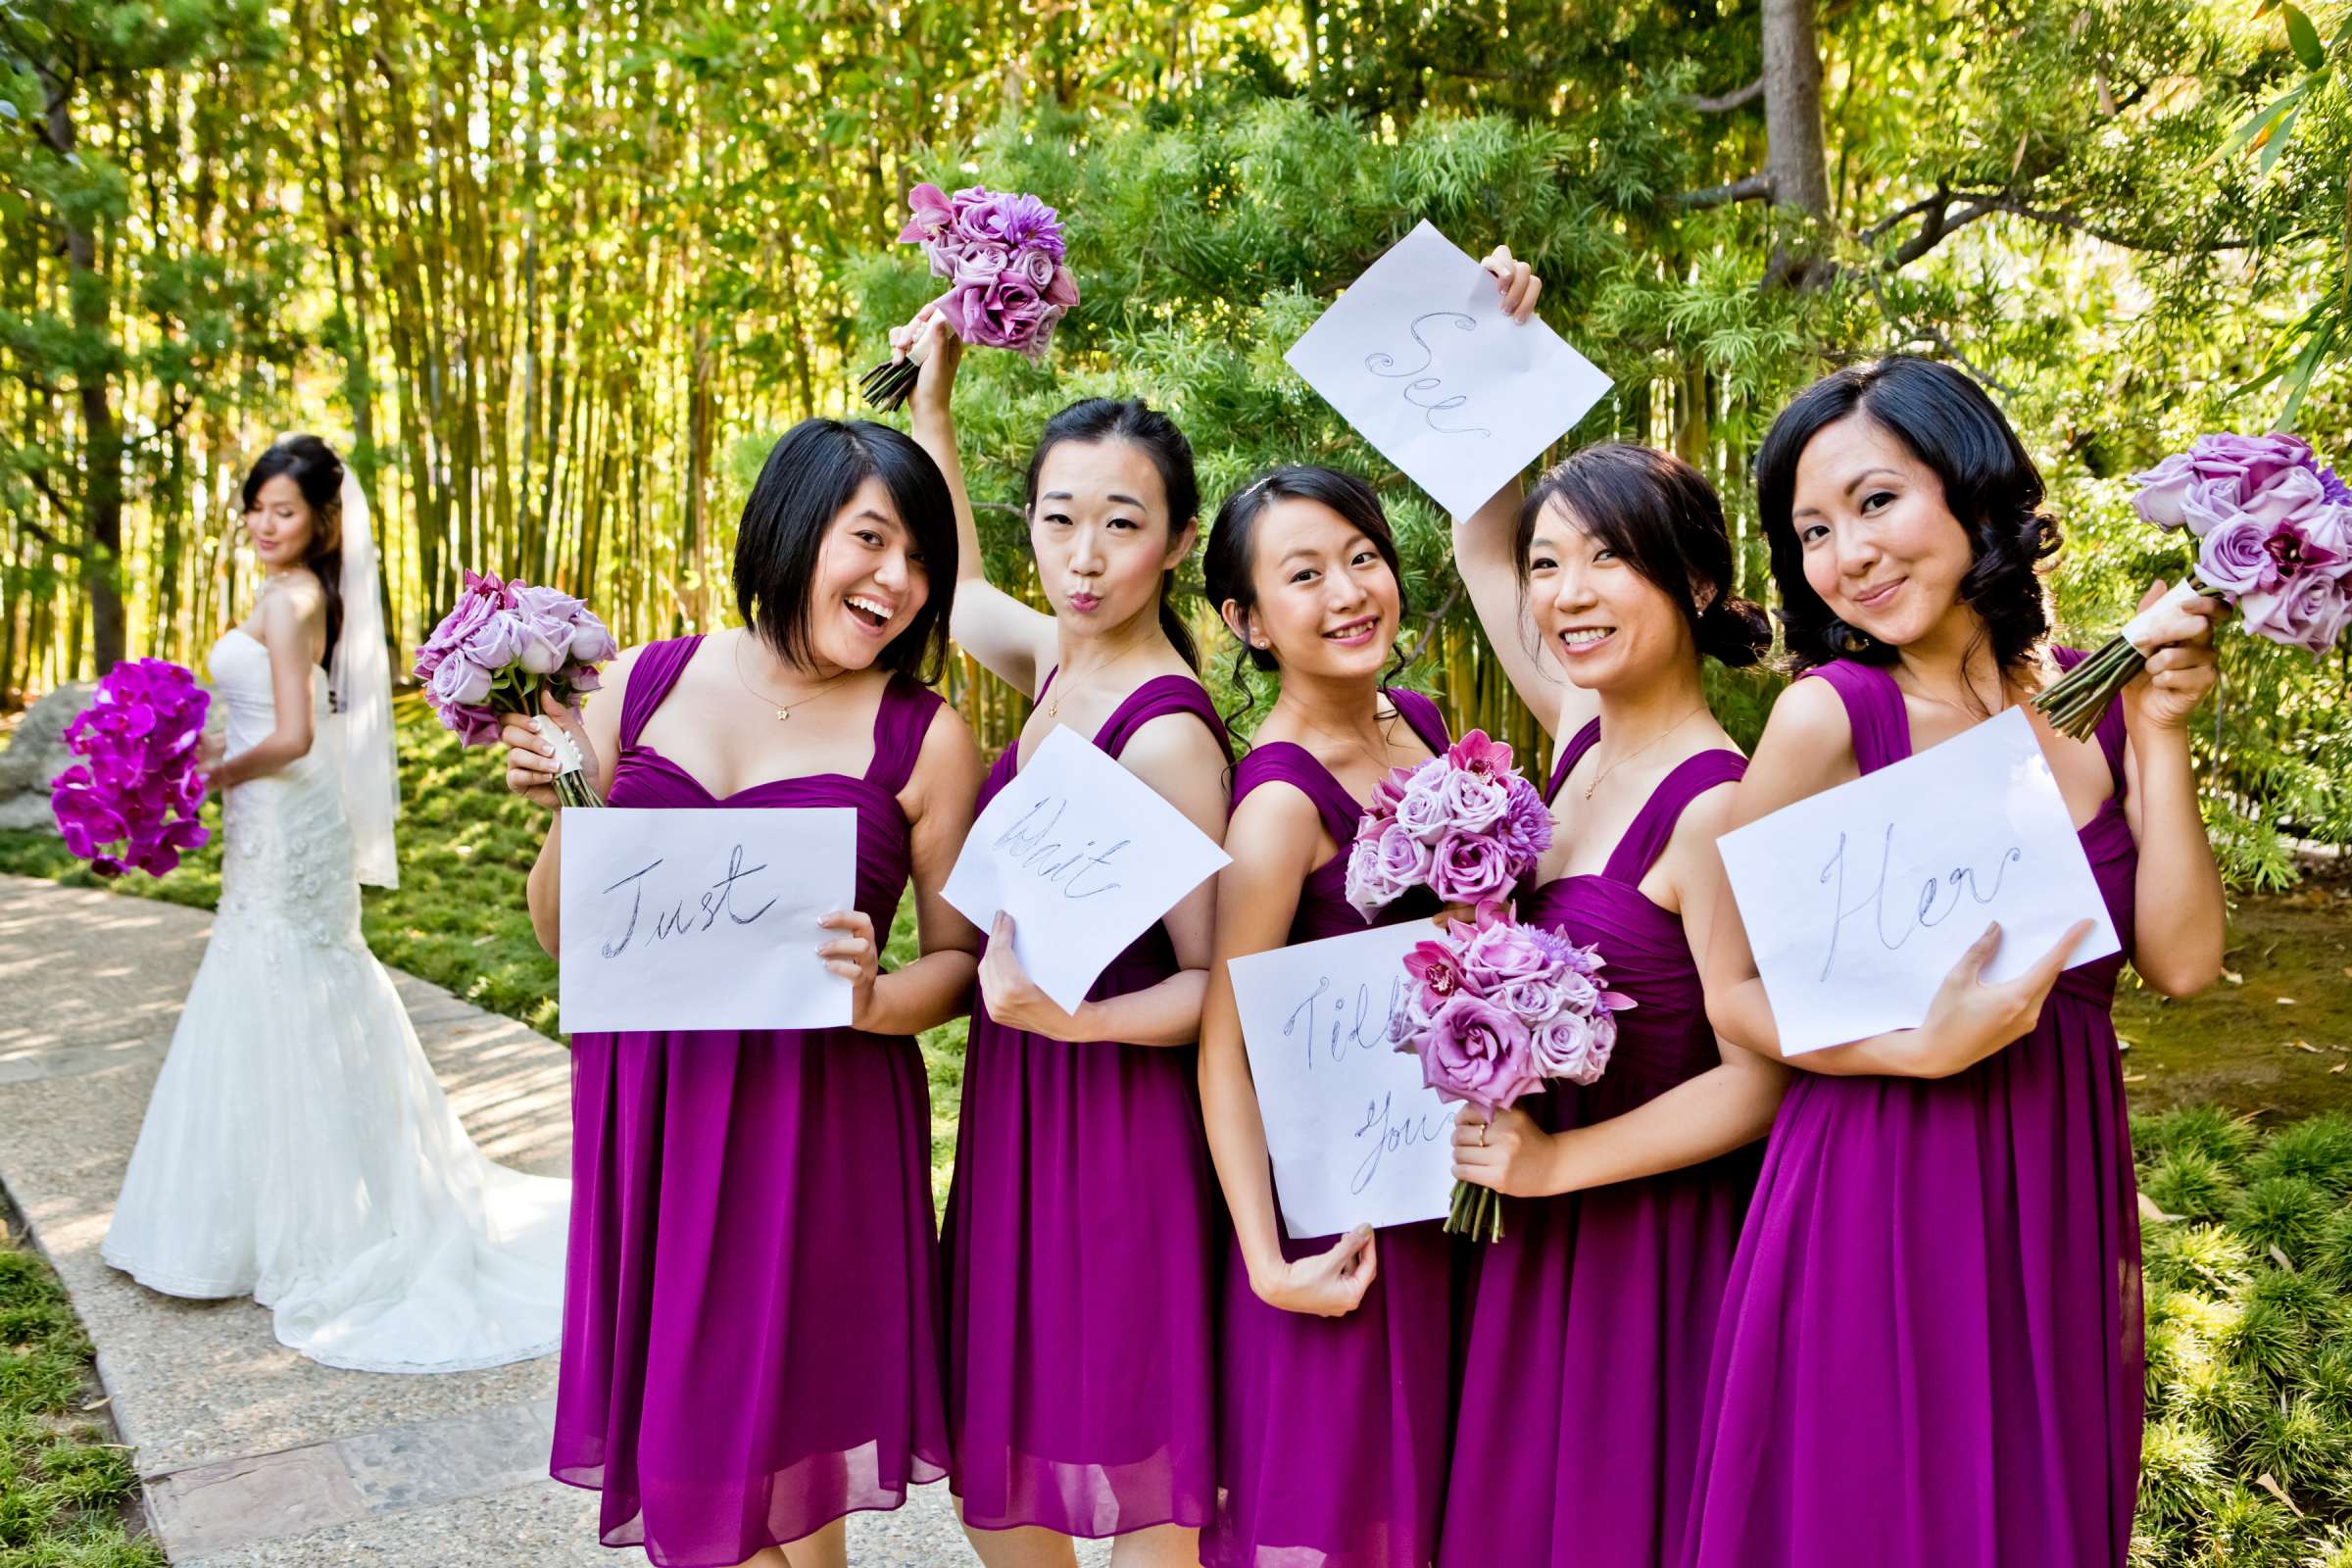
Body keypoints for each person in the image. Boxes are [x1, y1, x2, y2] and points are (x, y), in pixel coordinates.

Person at [1684, 356, 2227, 1567]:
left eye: (1877, 502)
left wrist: (2169, 736)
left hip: (2055, 1181)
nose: (1848, 555)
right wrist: (1910, 1047)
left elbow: (2184, 963)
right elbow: (1734, 988)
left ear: (1969, 488)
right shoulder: (1829, 717)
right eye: (1813, 530)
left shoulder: (2098, 700)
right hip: (1879, 1179)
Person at [501, 417, 982, 1568]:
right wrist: (575, 795)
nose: (897, 580)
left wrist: (873, 995)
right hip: (653, 1117)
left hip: (812, 1131)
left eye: (921, 560)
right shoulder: (639, 682)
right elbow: (566, 933)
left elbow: (961, 965)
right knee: (687, 1476)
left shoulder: (928, 737)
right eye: (869, 539)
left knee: (787, 1483)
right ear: (790, 524)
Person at [104, 433, 568, 1375]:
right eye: (257, 508)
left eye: (284, 511)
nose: (265, 525)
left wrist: (211, 772)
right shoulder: (291, 595)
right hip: (276, 809)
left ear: (321, 522)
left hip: (279, 798)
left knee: (287, 965)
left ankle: (305, 1222)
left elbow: (291, 731)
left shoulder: (295, 596)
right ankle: (255, 1209)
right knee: (276, 967)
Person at [895, 314, 1231, 1568]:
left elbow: (1212, 988)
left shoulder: (1166, 733)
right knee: (1008, 1480)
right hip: (1020, 1097)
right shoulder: (1054, 659)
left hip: (1119, 1124)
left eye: (1122, 523)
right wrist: (934, 410)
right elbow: (966, 588)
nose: (1082, 555)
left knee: (1138, 1466)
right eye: (1058, 516)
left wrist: (1070, 1018)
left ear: (1179, 541)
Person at [1441, 438, 1787, 1567]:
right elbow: (1477, 545)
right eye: (1551, 565)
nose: (1566, 593)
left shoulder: (1721, 804)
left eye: (1607, 559)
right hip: (1532, 1225)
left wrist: (1555, 1168)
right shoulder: (1578, 739)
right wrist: (1489, 350)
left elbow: (1759, 1081)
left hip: (1645, 1243)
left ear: (1692, 582)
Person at [1195, 464, 1467, 1568]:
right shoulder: (1277, 805)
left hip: (1459, 1191)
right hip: (1342, 1221)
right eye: (1304, 574)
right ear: (1247, 619)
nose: (1350, 590)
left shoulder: (1425, 724)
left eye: (1362, 556)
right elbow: (1227, 1053)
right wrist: (1267, 1262)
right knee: (1347, 1518)